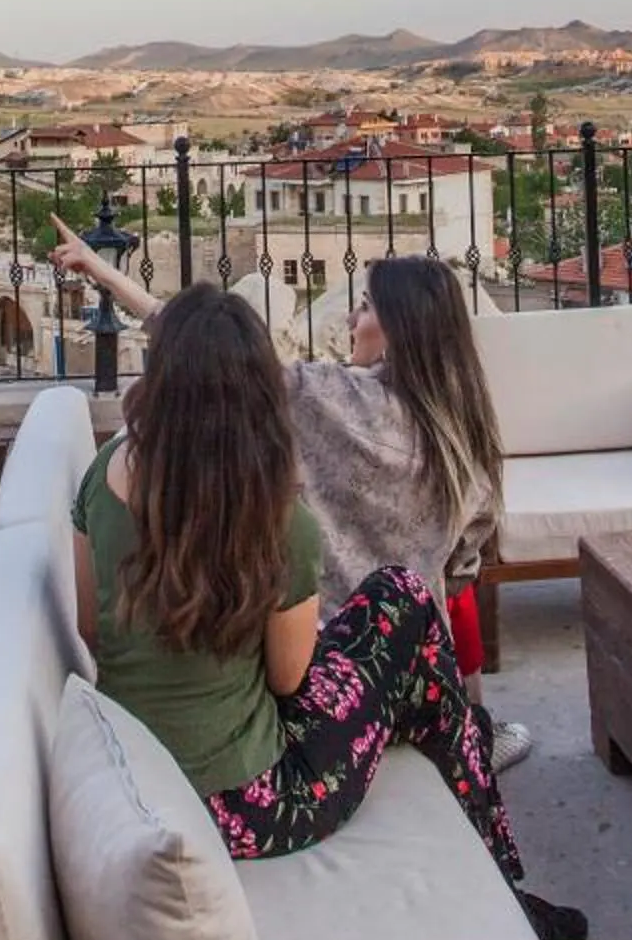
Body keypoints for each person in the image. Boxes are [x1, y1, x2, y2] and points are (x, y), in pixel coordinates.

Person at [67, 282, 587, 940]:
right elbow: (290, 682)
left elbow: (89, 624)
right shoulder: (274, 522)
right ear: (254, 389)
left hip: (142, 774)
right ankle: (505, 884)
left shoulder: (104, 471)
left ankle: (463, 760)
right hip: (253, 805)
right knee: (406, 607)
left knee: (402, 626)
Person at [52, 228, 533, 769]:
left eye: (366, 306)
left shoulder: (327, 399)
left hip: (317, 669)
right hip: (410, 677)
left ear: (399, 329)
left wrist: (107, 274)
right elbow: (464, 566)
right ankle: (471, 732)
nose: (351, 318)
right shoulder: (464, 432)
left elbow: (209, 352)